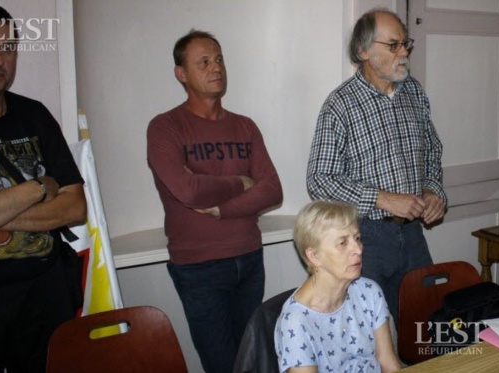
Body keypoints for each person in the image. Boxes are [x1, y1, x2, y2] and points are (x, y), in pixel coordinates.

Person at [147, 29, 283, 373]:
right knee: (222, 365)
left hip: (249, 258)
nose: (216, 68)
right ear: (181, 73)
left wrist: (223, 208)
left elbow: (272, 190)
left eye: (219, 59)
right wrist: (240, 182)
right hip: (199, 267)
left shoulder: (245, 126)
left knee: (255, 361)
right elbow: (187, 190)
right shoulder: (165, 127)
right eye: (204, 61)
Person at [306, 7, 447, 326]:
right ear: (363, 51)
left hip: (412, 236)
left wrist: (432, 189)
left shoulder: (414, 92)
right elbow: (319, 179)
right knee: (369, 338)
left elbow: (432, 151)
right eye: (394, 45)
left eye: (406, 43)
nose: (404, 52)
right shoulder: (340, 105)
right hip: (363, 240)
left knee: (423, 329)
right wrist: (381, 198)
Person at [0, 2, 87, 372]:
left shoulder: (34, 114)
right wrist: (35, 189)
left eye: (6, 49)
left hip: (46, 301)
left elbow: (74, 208)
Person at [274, 200, 402, 373]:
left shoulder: (369, 292)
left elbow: (389, 363)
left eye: (357, 238)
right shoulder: (296, 321)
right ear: (314, 257)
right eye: (343, 243)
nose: (358, 249)